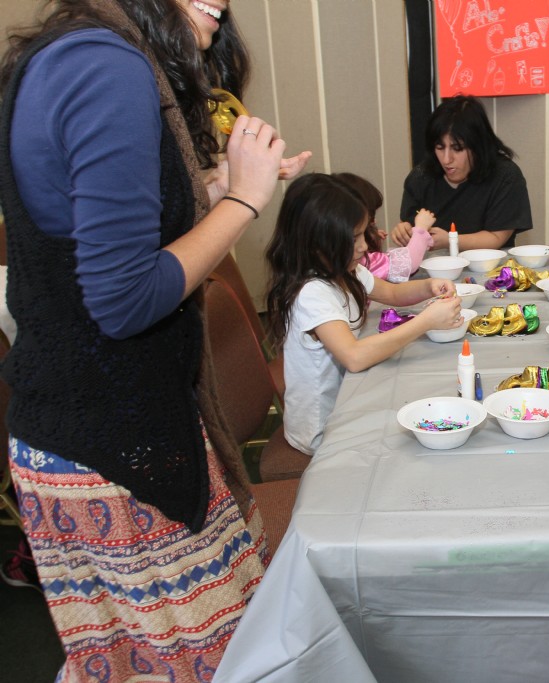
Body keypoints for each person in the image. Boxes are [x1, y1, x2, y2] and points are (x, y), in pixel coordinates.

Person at [0, 0, 311, 679]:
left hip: (102, 431)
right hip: (112, 446)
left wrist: (214, 187)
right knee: (222, 660)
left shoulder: (77, 53)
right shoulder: (103, 65)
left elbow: (106, 231)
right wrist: (244, 200)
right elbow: (124, 299)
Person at [265, 173, 465, 456]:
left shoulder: (345, 268)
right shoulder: (312, 292)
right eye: (353, 238)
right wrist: (425, 322)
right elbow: (355, 356)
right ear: (317, 242)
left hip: (347, 401)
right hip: (323, 429)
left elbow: (392, 293)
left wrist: (428, 286)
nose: (364, 246)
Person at [389, 94, 533, 251]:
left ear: (478, 145)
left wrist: (451, 240)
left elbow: (497, 237)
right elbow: (412, 227)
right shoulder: (420, 177)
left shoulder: (505, 176)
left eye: (457, 148)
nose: (446, 159)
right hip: (434, 265)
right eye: (440, 147)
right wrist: (404, 231)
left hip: (490, 264)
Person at [334, 172, 436, 283]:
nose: (374, 222)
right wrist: (421, 229)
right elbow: (407, 264)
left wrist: (370, 237)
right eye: (356, 238)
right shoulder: (358, 261)